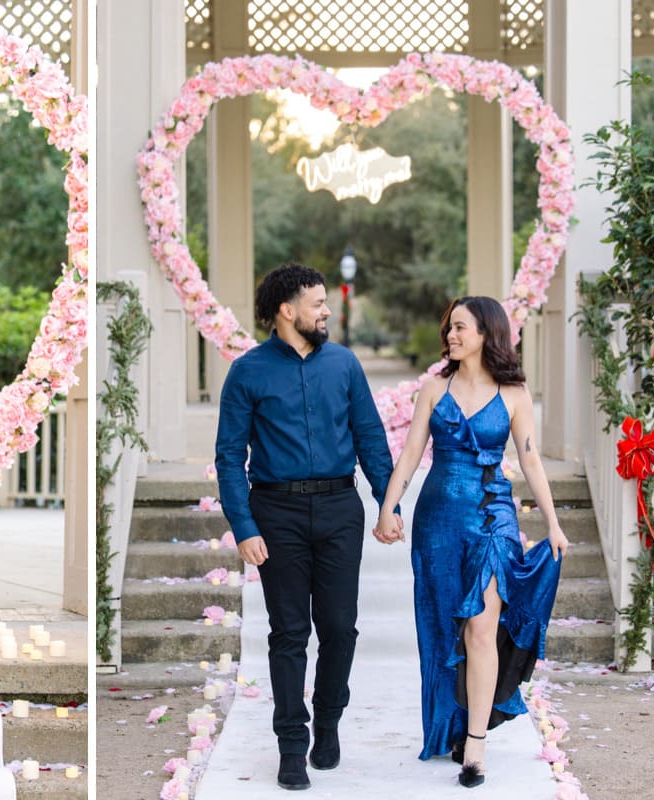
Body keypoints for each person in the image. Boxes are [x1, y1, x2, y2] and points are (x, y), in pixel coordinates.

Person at [215, 263, 400, 792]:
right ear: (286, 310)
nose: (326, 311)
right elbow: (230, 458)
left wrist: (390, 506)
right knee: (289, 633)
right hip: (277, 514)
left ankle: (329, 721)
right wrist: (244, 525)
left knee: (340, 627)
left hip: (341, 508)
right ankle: (291, 744)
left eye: (325, 302)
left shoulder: (344, 365)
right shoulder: (247, 372)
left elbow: (370, 439)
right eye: (317, 303)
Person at [372, 296, 568, 788]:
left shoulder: (515, 394)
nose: (451, 336)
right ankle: (452, 726)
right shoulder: (435, 389)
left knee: (482, 628)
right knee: (442, 629)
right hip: (437, 521)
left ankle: (475, 747)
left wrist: (554, 522)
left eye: (460, 328)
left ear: (486, 333)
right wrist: (388, 507)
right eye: (449, 329)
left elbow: (532, 462)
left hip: (493, 518)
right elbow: (412, 452)